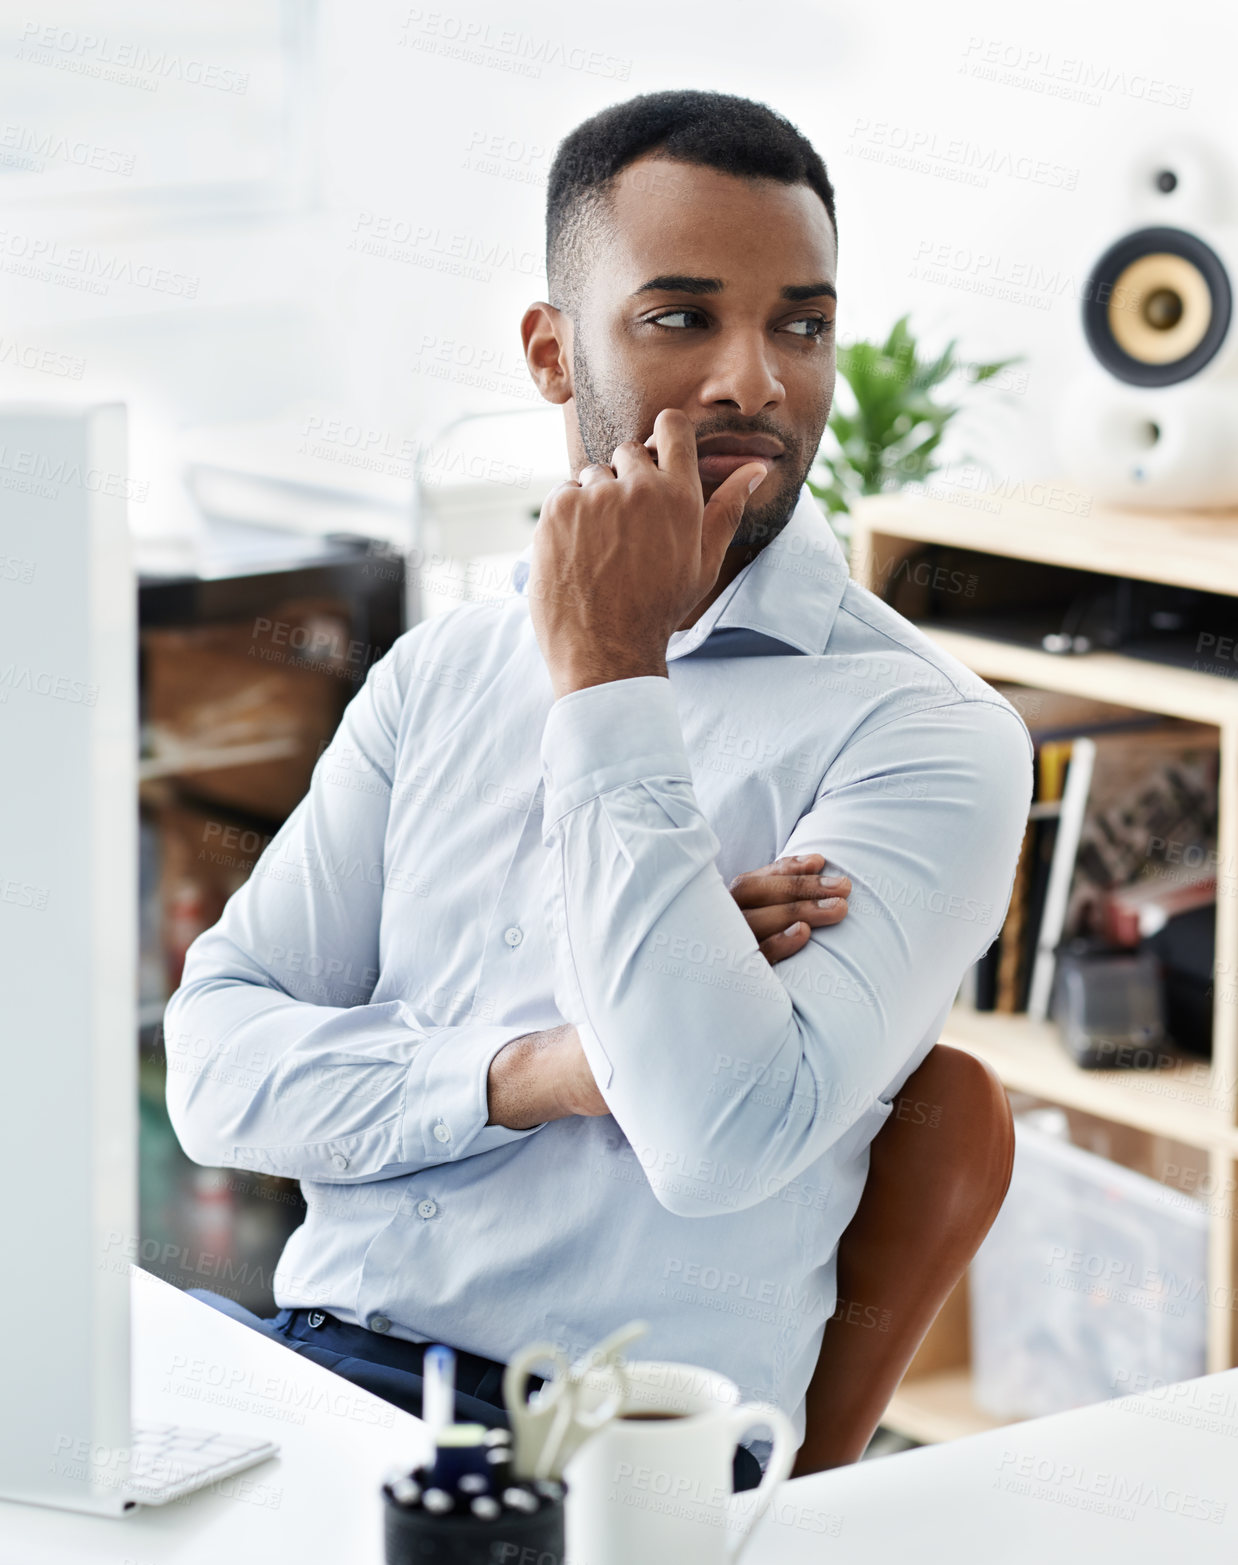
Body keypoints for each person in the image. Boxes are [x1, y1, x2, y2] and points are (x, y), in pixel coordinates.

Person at [165, 89, 1032, 1484]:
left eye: (799, 325)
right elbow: (214, 1064)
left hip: (614, 1459)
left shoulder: (925, 733)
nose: (757, 379)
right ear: (553, 352)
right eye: (683, 317)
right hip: (316, 1377)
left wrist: (608, 673)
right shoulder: (438, 673)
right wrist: (549, 1071)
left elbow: (711, 1137)